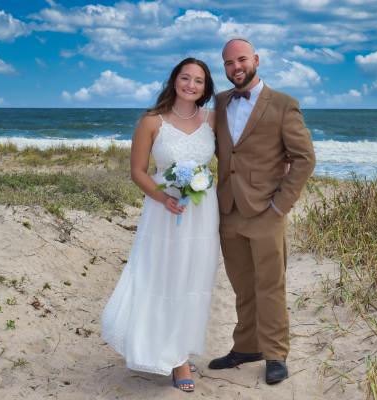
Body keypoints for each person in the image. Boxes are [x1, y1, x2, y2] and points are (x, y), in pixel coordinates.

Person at [101, 57, 219, 393]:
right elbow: (138, 170)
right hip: (164, 211)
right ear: (174, 80)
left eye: (198, 81)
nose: (191, 85)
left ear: (205, 88)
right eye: (186, 78)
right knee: (163, 277)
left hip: (202, 211)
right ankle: (176, 360)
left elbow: (234, 157)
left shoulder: (212, 119)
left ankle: (179, 346)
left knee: (193, 278)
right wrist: (162, 198)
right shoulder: (152, 121)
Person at [209, 38, 316, 384]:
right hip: (229, 210)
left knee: (270, 285)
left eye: (241, 60)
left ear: (256, 59)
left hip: (266, 212)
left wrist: (279, 206)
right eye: (228, 63)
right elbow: (224, 153)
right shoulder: (221, 101)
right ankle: (246, 346)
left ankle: (274, 354)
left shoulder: (284, 104)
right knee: (242, 285)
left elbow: (303, 159)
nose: (235, 67)